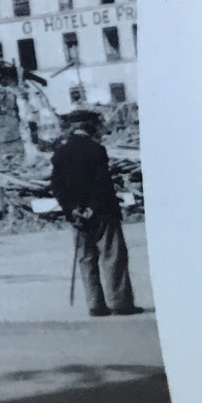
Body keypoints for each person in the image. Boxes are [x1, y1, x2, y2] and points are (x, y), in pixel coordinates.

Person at [49, 110, 143, 317]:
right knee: (112, 255)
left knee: (86, 258)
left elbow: (57, 186)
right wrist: (92, 207)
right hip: (102, 213)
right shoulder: (96, 149)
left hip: (76, 216)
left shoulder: (60, 153)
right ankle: (120, 303)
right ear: (89, 126)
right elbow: (102, 184)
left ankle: (95, 304)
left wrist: (72, 209)